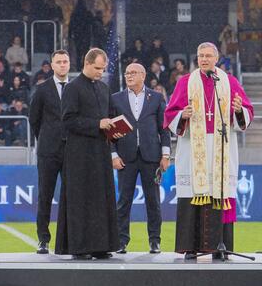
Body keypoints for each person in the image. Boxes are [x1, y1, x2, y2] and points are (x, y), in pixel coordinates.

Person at [164, 42, 254, 259]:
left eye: (208, 56)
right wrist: (181, 116)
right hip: (192, 147)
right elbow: (170, 114)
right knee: (192, 195)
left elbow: (247, 111)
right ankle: (190, 247)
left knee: (219, 194)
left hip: (221, 148)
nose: (203, 59)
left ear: (216, 58)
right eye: (200, 56)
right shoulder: (185, 82)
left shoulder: (229, 82)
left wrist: (238, 110)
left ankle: (219, 248)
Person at [56, 48, 122, 260]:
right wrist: (97, 124)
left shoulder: (104, 88)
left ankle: (102, 245)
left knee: (102, 199)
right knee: (81, 200)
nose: (100, 73)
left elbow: (111, 116)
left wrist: (116, 129)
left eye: (102, 69)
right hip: (79, 154)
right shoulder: (73, 88)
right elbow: (68, 120)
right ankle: (80, 247)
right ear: (86, 63)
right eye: (97, 68)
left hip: (101, 152)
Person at [110, 63, 171, 254]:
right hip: (125, 158)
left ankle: (155, 241)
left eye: (133, 73)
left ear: (143, 76)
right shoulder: (115, 99)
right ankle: (121, 241)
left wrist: (166, 154)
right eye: (127, 73)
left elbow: (164, 128)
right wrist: (113, 155)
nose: (129, 76)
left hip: (151, 157)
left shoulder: (157, 97)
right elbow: (109, 130)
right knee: (123, 201)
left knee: (153, 201)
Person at [29, 50, 70, 254]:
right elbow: (34, 119)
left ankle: (70, 238)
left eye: (65, 61)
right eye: (59, 62)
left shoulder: (76, 88)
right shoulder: (42, 89)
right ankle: (43, 239)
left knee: (71, 195)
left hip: (72, 151)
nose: (62, 65)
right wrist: (45, 138)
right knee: (45, 194)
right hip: (48, 151)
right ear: (52, 65)